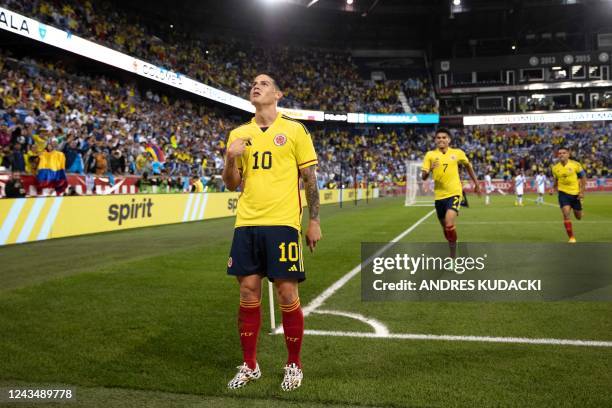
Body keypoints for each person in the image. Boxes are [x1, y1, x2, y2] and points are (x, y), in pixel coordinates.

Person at [223, 74, 321, 392]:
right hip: (246, 223)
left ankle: (294, 364)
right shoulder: (238, 134)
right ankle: (250, 365)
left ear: (277, 94)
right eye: (252, 82)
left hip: (282, 223)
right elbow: (231, 184)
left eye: (264, 83)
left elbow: (310, 179)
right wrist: (229, 157)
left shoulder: (294, 130)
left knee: (287, 294)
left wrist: (314, 220)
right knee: (248, 292)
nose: (256, 85)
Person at [421, 128, 480, 258]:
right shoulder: (430, 155)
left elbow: (468, 166)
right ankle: (453, 243)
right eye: (438, 138)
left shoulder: (457, 153)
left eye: (444, 137)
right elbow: (423, 176)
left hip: (454, 193)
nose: (441, 139)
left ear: (449, 140)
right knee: (446, 230)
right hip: (439, 196)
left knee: (449, 223)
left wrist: (476, 183)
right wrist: (430, 169)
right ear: (435, 140)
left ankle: (452, 257)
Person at [550, 147, 586, 243]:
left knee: (578, 217)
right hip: (563, 193)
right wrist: (553, 188)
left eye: (564, 153)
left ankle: (580, 206)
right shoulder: (555, 168)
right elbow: (556, 180)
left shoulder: (576, 165)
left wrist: (582, 192)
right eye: (559, 153)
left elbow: (583, 178)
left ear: (568, 154)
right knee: (566, 214)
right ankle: (571, 237)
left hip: (575, 193)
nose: (561, 154)